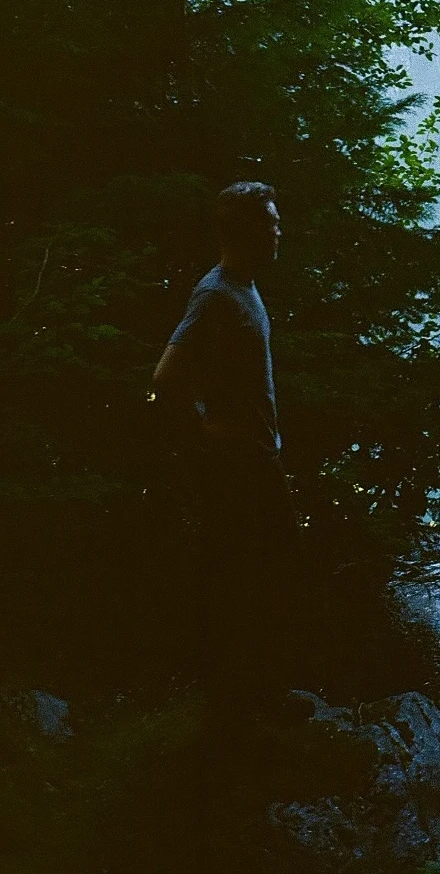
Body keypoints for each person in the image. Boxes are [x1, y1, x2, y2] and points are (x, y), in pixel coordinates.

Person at [150, 181, 298, 707]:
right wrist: (206, 431)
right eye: (272, 222)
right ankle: (240, 705)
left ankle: (257, 694)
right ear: (247, 230)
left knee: (262, 578)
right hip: (237, 465)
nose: (280, 231)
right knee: (241, 581)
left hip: (259, 457)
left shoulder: (245, 286)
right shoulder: (215, 294)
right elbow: (166, 379)